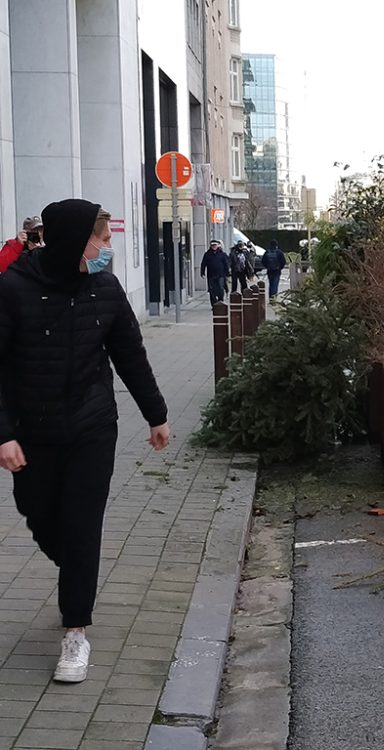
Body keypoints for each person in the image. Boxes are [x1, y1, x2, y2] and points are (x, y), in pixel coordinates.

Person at [0, 199, 170, 683]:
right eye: (100, 239)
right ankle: (76, 569)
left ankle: (76, 631)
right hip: (32, 435)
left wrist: (156, 416)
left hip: (92, 428)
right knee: (39, 514)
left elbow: (130, 356)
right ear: (74, 240)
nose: (105, 249)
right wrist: (4, 434)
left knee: (81, 524)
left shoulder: (106, 288)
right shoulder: (12, 289)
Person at [201, 239, 230, 305]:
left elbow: (226, 264)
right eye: (212, 245)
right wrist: (202, 272)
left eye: (215, 245)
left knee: (220, 288)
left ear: (217, 246)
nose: (214, 246)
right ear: (210, 246)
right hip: (211, 275)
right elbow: (203, 264)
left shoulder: (222, 254)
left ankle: (220, 301)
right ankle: (214, 303)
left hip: (220, 274)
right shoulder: (207, 254)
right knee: (212, 290)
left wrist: (227, 273)